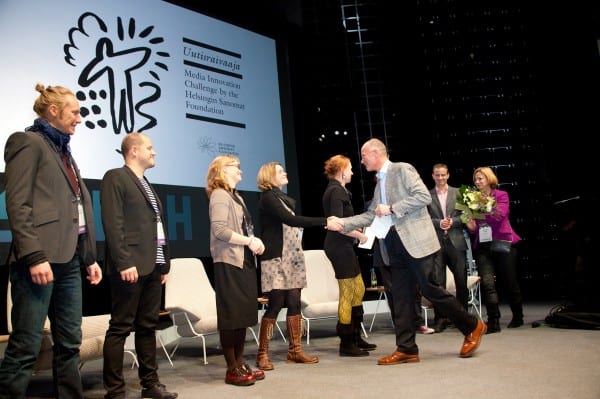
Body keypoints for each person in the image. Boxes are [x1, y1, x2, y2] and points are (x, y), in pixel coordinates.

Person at [326, 138, 486, 365]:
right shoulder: (378, 182)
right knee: (400, 297)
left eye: (363, 156)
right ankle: (407, 348)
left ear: (375, 153)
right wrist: (342, 222)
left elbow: (422, 197)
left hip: (416, 242)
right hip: (394, 245)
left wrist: (392, 208)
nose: (361, 161)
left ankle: (472, 325)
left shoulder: (402, 169)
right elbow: (371, 215)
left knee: (430, 289)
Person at [0, 83, 102, 398]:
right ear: (54, 111)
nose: (80, 118)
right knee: (26, 345)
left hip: (70, 261)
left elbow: (76, 208)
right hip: (39, 261)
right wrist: (33, 256)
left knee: (69, 343)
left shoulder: (64, 150)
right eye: (75, 112)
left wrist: (89, 257)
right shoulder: (27, 142)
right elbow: (18, 203)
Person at [101, 132, 177, 399]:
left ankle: (150, 384)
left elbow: (157, 227)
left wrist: (164, 263)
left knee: (147, 326)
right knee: (121, 327)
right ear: (134, 151)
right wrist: (124, 262)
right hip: (130, 266)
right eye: (150, 147)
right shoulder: (115, 177)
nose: (154, 152)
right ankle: (115, 390)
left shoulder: (145, 183)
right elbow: (113, 223)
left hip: (153, 266)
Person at [255, 161, 324, 370]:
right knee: (276, 303)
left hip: (292, 257)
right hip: (276, 258)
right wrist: (324, 221)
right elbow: (289, 220)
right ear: (269, 177)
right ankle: (262, 353)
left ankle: (295, 351)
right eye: (280, 171)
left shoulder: (281, 198)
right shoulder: (268, 198)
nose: (285, 173)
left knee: (294, 302)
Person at [206, 155, 266, 386]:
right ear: (221, 170)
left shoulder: (236, 196)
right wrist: (249, 241)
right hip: (228, 261)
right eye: (235, 166)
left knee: (242, 315)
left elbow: (243, 227)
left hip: (243, 260)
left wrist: (252, 242)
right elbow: (220, 230)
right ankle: (231, 367)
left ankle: (240, 362)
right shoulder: (220, 194)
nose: (240, 169)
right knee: (231, 316)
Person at [322, 155, 377, 356]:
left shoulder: (340, 190)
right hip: (338, 246)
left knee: (359, 288)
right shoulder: (336, 191)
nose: (353, 172)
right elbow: (337, 224)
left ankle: (355, 336)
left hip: (344, 245)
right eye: (351, 168)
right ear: (342, 170)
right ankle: (346, 342)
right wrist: (359, 235)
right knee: (348, 290)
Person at [465, 166, 523, 333]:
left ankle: (518, 316)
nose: (477, 182)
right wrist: (470, 225)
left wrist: (481, 206)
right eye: (475, 179)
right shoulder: (471, 199)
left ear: (489, 179)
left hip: (503, 242)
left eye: (480, 179)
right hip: (483, 245)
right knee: (488, 283)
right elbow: (475, 227)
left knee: (509, 281)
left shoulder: (501, 195)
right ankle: (493, 321)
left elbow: (500, 216)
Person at [427, 163, 469, 333]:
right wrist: (439, 223)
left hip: (456, 242)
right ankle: (441, 318)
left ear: (448, 175)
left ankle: (464, 318)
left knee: (461, 281)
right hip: (436, 243)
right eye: (437, 175)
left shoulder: (459, 193)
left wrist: (453, 222)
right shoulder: (426, 196)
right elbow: (424, 219)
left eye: (443, 175)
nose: (440, 178)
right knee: (438, 284)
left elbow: (467, 216)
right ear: (432, 176)